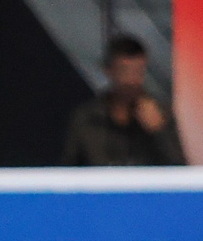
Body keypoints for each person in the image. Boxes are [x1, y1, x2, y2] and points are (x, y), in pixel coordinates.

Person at [61, 34, 183, 165]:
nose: (131, 80)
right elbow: (68, 168)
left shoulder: (162, 113)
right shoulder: (86, 117)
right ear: (109, 71)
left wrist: (159, 131)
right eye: (124, 71)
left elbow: (181, 166)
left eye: (138, 71)